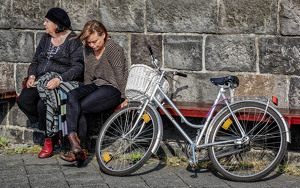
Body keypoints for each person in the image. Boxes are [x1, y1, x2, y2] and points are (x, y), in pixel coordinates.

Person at [59, 20, 128, 167]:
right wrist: (84, 91)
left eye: (94, 41)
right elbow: (88, 75)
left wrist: (126, 97)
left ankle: (80, 152)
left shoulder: (112, 48)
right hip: (96, 86)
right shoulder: (89, 50)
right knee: (72, 95)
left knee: (81, 107)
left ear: (103, 34)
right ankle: (74, 140)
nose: (92, 45)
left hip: (112, 89)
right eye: (89, 42)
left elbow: (120, 75)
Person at [17, 7, 84, 158]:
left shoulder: (73, 41)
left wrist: (59, 79)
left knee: (43, 105)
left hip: (60, 81)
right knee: (24, 100)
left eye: (47, 21)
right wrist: (32, 76)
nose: (44, 24)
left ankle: (49, 140)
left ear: (56, 24)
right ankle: (51, 127)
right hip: (41, 80)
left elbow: (78, 67)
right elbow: (35, 60)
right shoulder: (45, 38)